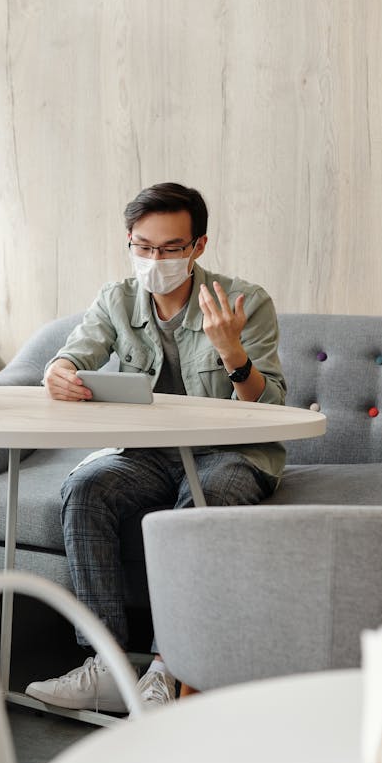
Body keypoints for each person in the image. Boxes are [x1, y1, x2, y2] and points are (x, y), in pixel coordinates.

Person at [25, 182, 287, 711]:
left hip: (232, 454)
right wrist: (59, 372)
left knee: (205, 493)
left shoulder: (245, 302)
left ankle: (169, 669)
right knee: (85, 487)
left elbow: (273, 405)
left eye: (170, 248)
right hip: (148, 454)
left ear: (198, 247)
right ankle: (107, 664)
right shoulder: (116, 298)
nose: (155, 259)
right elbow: (74, 353)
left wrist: (233, 354)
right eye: (143, 246)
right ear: (129, 241)